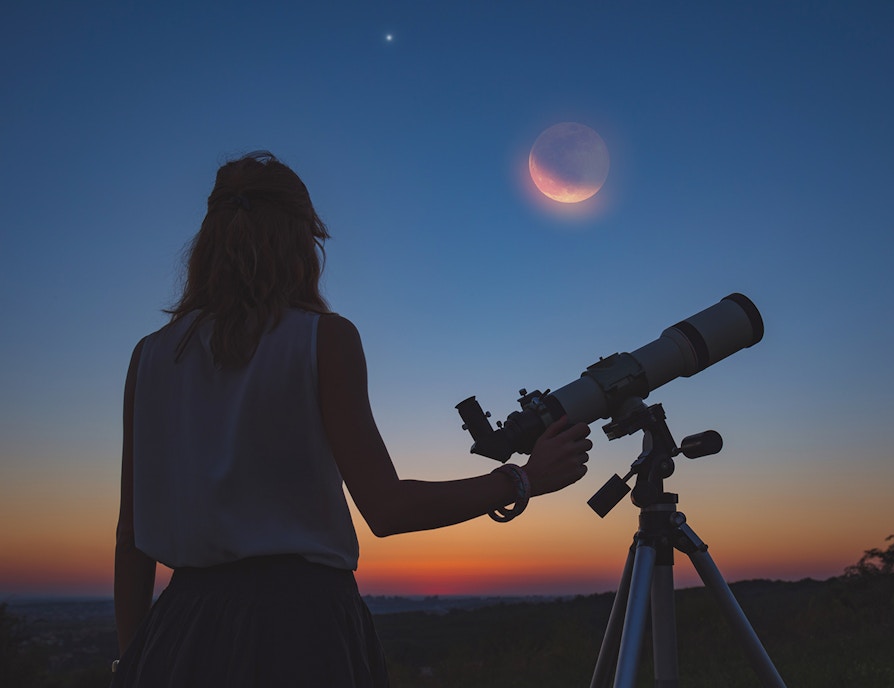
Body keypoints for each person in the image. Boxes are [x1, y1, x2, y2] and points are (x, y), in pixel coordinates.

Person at [112, 151, 593, 687]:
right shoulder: (324, 339)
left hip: (181, 631)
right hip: (298, 629)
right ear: (302, 241)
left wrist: (133, 661)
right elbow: (386, 510)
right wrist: (524, 479)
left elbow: (131, 534)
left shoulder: (151, 355)